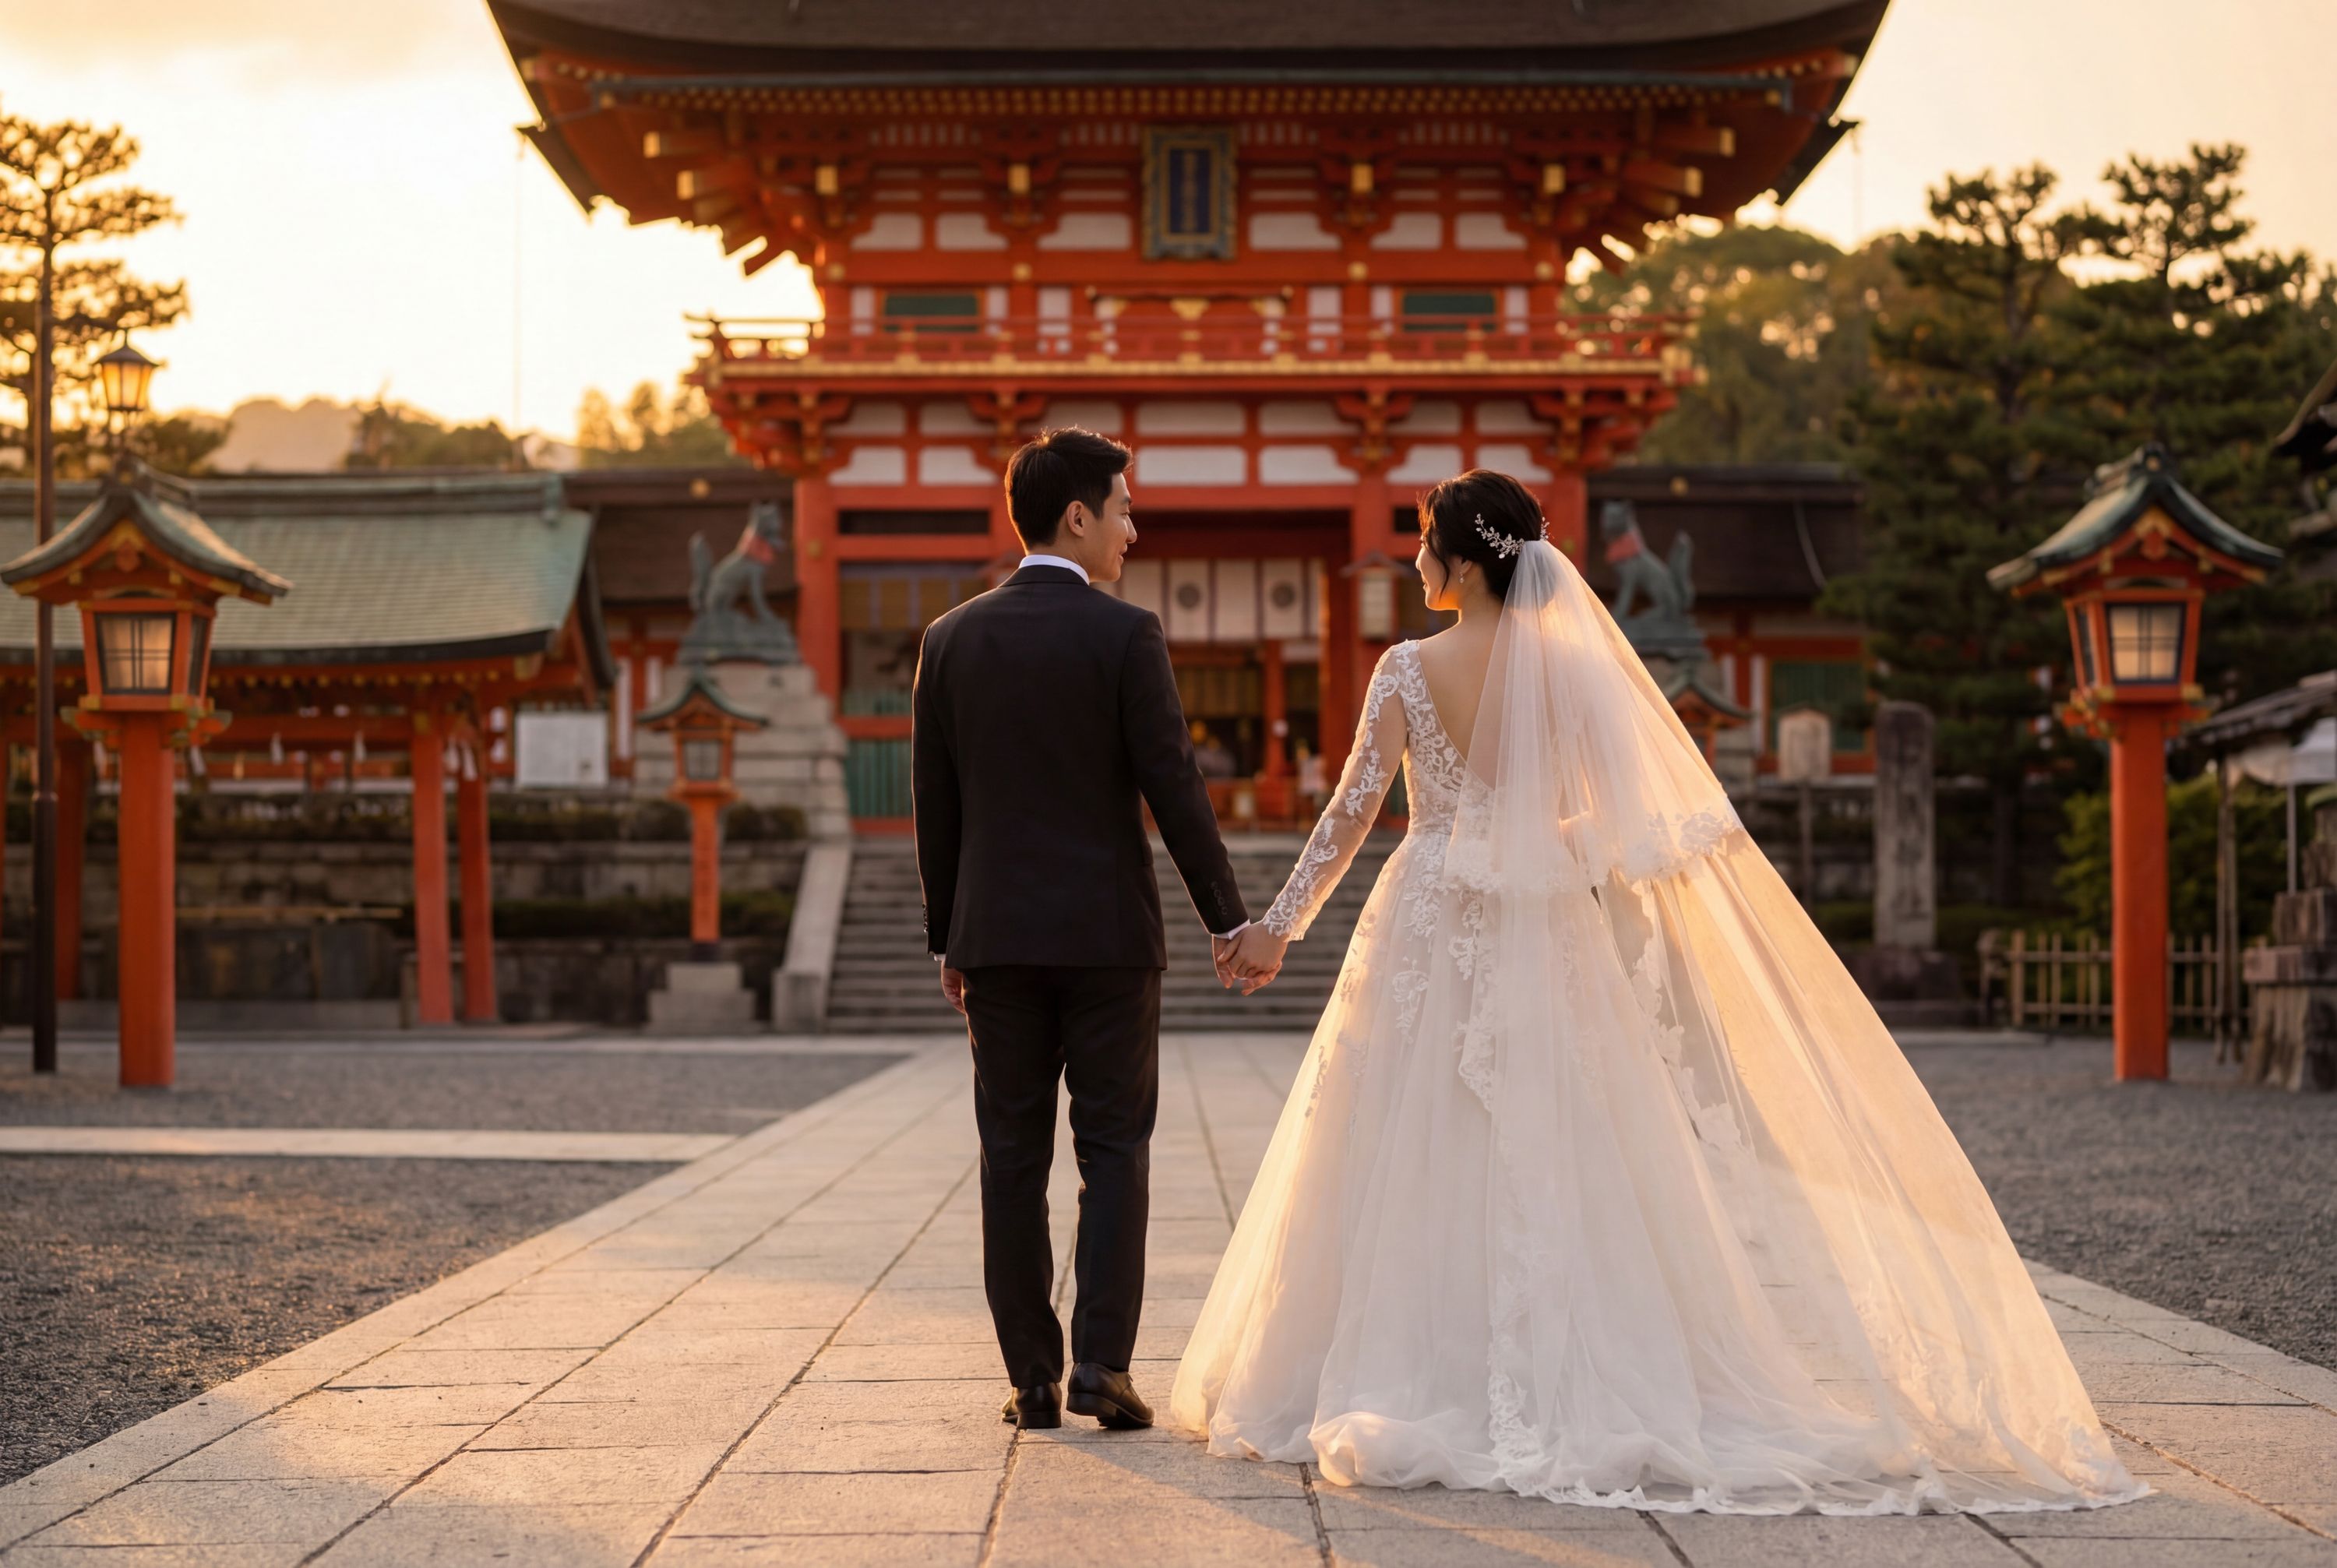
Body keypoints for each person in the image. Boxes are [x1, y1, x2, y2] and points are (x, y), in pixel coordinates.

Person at [1176, 470, 2147, 1517]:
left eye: (1422, 544)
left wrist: (1276, 928)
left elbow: (1351, 815)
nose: (1414, 562)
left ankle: (1406, 1357)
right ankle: (1585, 1363)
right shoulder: (1575, 674)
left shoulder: (1407, 671)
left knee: (1406, 1130)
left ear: (1460, 560)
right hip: (1542, 924)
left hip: (1428, 914)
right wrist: (1532, 849)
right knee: (1567, 1137)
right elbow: (1614, 819)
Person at [911, 427, 1272, 1434]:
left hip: (995, 939)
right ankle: (1103, 1364)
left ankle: (1031, 1373)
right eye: (1123, 508)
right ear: (1077, 514)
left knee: (1010, 1153)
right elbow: (1175, 786)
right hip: (1111, 938)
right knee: (1113, 1147)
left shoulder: (950, 640)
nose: (1134, 527)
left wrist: (949, 936)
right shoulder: (1126, 636)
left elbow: (933, 806)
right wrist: (1229, 916)